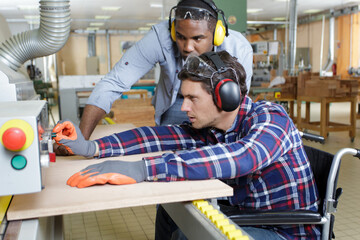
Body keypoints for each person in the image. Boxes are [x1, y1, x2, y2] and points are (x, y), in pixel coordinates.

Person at [53, 50, 320, 240]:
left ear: (225, 96)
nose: (184, 107)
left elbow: (242, 157)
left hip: (285, 232)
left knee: (189, 233)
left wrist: (144, 169)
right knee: (173, 209)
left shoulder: (271, 118)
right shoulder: (212, 128)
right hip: (245, 215)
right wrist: (91, 147)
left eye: (192, 98)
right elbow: (155, 136)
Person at [78, 0, 253, 140]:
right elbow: (114, 82)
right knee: (166, 148)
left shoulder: (238, 48)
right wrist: (80, 139)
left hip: (219, 104)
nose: (187, 47)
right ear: (173, 31)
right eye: (181, 37)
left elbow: (234, 103)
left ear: (217, 34)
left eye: (197, 38)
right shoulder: (160, 37)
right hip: (175, 101)